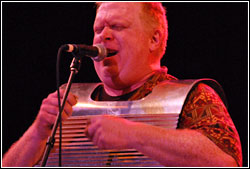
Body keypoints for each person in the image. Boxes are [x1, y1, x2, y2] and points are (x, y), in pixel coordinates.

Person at [2, 2, 242, 167]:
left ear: (154, 39)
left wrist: (134, 134)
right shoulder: (67, 98)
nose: (103, 36)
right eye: (98, 29)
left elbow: (226, 163)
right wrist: (37, 133)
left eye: (117, 27)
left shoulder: (194, 97)